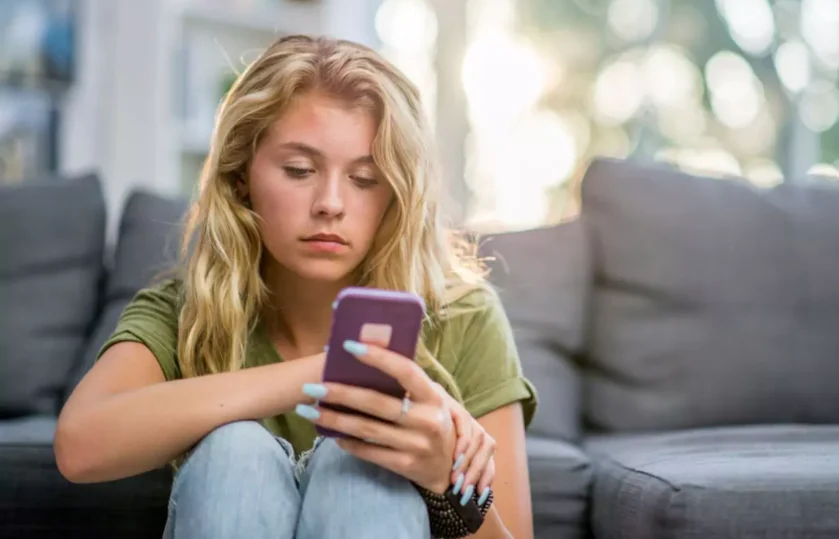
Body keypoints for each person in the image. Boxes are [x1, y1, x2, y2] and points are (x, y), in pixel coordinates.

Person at [54, 35, 537, 539]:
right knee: (236, 452)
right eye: (299, 171)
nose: (330, 203)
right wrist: (329, 374)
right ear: (241, 176)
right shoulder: (189, 310)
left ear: (395, 194)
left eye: (365, 178)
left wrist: (443, 485)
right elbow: (80, 444)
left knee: (362, 475)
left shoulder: (464, 315)